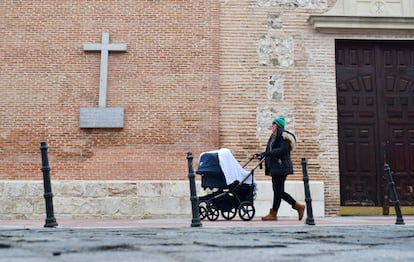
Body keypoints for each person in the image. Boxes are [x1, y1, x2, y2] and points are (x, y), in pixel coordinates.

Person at [254, 116, 305, 221]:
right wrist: (260, 155)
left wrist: (267, 153)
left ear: (277, 125)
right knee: (278, 191)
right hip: (275, 167)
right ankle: (298, 206)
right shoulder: (273, 137)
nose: (272, 126)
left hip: (281, 166)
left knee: (278, 191)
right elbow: (269, 150)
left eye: (273, 124)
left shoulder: (284, 137)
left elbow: (282, 150)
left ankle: (274, 213)